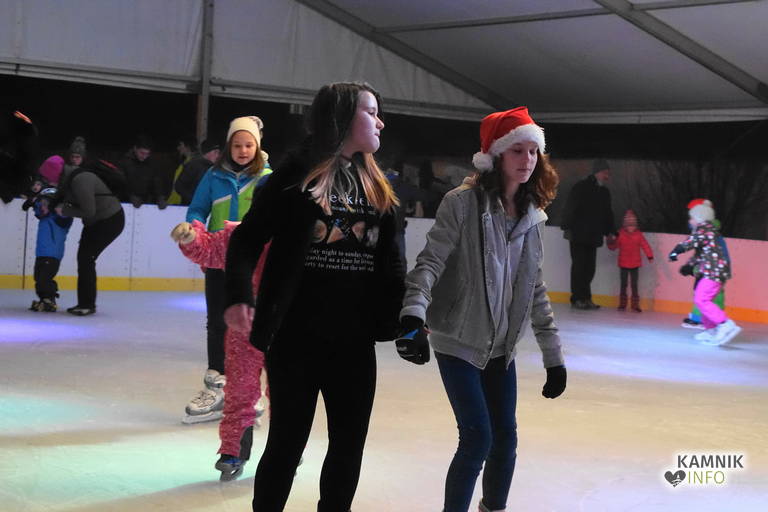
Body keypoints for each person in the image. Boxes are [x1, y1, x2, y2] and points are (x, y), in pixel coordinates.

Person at [224, 82, 404, 512]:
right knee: (286, 444)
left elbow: (393, 265)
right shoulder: (294, 178)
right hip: (295, 338)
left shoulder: (378, 186)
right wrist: (239, 296)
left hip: (354, 342)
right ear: (341, 119)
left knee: (348, 446)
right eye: (371, 112)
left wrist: (408, 317)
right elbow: (246, 240)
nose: (380, 122)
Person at [397, 107, 566, 512]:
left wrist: (554, 357)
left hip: (501, 349)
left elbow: (534, 288)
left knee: (505, 439)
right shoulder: (461, 204)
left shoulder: (532, 215)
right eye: (518, 151)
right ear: (496, 156)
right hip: (459, 339)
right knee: (477, 438)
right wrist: (413, 315)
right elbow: (431, 262)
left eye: (533, 152)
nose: (527, 160)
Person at [183, 116, 272, 424]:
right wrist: (194, 229)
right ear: (228, 147)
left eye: (249, 145)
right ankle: (217, 385)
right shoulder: (213, 175)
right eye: (237, 145)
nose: (243, 151)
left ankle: (248, 389)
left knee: (251, 324)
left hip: (254, 261)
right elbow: (197, 209)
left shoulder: (267, 179)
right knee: (217, 322)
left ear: (257, 146)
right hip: (218, 258)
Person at [171, 219, 269, 481]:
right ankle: (233, 451)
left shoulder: (304, 233)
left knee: (289, 392)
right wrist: (191, 238)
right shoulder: (243, 232)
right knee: (239, 390)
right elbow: (213, 249)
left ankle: (288, 447)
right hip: (244, 323)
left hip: (287, 322)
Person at [57, 159, 125, 316]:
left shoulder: (81, 180)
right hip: (96, 222)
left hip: (109, 220)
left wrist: (65, 210)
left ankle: (87, 304)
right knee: (84, 259)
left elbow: (89, 211)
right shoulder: (71, 179)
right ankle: (85, 303)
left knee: (86, 259)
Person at [670, 199, 740, 345]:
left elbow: (692, 241)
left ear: (699, 218)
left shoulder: (705, 229)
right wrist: (689, 266)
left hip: (714, 271)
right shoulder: (708, 232)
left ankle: (725, 324)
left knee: (701, 299)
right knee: (705, 300)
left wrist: (677, 250)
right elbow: (700, 255)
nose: (690, 221)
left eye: (692, 218)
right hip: (714, 271)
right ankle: (711, 330)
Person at [560, 158, 616, 310]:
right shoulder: (581, 187)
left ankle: (586, 298)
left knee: (589, 269)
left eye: (608, 173)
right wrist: (566, 225)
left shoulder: (604, 192)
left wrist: (611, 231)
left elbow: (607, 214)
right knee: (579, 267)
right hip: (578, 235)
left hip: (593, 236)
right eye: (605, 172)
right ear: (598, 172)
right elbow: (570, 206)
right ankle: (577, 298)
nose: (607, 176)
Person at [24, 156, 73, 312]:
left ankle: (48, 299)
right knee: (38, 276)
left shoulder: (61, 197)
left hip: (52, 249)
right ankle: (45, 298)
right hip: (43, 248)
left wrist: (55, 210)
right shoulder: (46, 193)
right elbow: (41, 212)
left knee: (44, 277)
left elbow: (65, 218)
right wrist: (36, 204)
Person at [607, 209, 653, 312]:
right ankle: (622, 304)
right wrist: (610, 242)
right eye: (629, 226)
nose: (631, 228)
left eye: (633, 226)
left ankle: (635, 305)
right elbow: (614, 246)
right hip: (623, 263)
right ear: (625, 225)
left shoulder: (639, 235)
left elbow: (645, 245)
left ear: (636, 225)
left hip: (635, 264)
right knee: (623, 284)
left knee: (634, 284)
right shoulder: (620, 234)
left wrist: (650, 256)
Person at [120, 135, 165, 208]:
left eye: (147, 154)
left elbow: (156, 181)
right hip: (126, 205)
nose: (144, 156)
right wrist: (130, 196)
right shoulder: (124, 162)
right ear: (135, 148)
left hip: (146, 204)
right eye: (142, 153)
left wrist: (160, 197)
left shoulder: (151, 163)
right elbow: (120, 182)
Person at [174, 138, 221, 206]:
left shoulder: (216, 168)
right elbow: (179, 186)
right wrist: (194, 200)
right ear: (207, 153)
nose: (218, 155)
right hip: (190, 208)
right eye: (215, 152)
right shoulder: (193, 165)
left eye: (218, 153)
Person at [167, 135, 197, 205]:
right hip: (178, 203)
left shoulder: (193, 163)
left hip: (186, 204)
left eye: (180, 145)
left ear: (188, 146)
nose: (178, 148)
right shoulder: (184, 163)